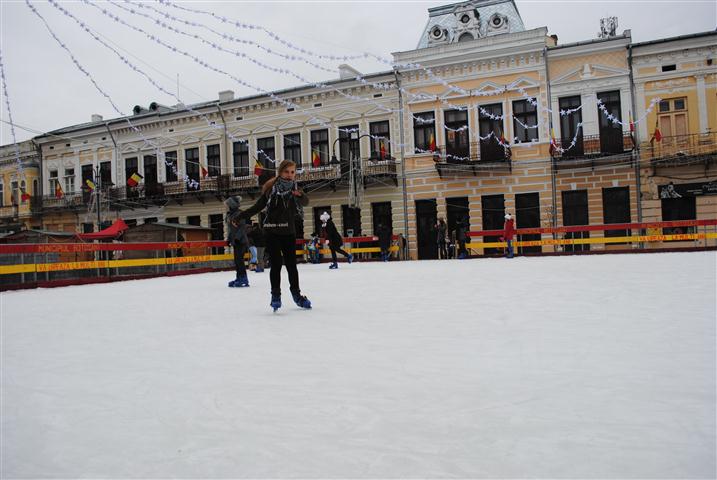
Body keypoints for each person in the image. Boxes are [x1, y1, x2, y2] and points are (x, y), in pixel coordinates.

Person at [238, 159, 311, 311]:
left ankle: (296, 295)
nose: (290, 175)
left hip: (289, 232)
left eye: (292, 172)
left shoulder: (295, 189)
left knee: (292, 266)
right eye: (287, 172)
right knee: (276, 265)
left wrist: (299, 196)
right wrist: (239, 217)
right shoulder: (271, 190)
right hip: (272, 232)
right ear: (280, 172)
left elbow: (305, 202)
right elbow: (257, 207)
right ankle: (275, 296)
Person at [225, 195, 250, 287]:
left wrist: (237, 238)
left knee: (239, 260)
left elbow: (242, 227)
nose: (227, 206)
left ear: (232, 205)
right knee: (237, 260)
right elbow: (231, 229)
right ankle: (239, 277)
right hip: (236, 241)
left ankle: (244, 279)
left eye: (228, 204)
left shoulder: (239, 214)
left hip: (241, 241)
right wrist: (229, 239)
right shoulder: (231, 215)